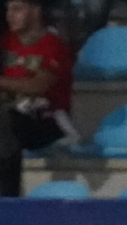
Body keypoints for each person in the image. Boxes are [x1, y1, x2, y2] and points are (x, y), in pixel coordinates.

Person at [0, 0, 78, 197]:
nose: (10, 15)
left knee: (6, 123)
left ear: (35, 11)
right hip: (13, 120)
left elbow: (39, 86)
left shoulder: (53, 44)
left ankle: (8, 199)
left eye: (17, 9)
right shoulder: (6, 41)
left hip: (48, 122)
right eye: (8, 9)